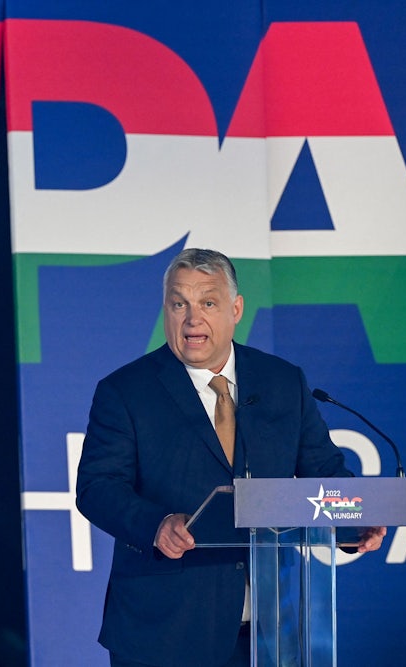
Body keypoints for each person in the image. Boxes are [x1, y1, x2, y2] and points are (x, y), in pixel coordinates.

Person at [76, 248, 386, 667]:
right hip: (164, 631)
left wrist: (353, 519)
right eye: (178, 303)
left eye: (208, 302)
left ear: (235, 309)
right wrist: (156, 525)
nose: (192, 318)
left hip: (269, 634)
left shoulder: (282, 382)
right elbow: (98, 487)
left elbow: (325, 473)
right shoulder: (125, 391)